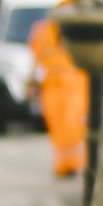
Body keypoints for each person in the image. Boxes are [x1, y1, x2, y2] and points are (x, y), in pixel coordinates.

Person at [30, 9, 87, 180]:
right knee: (56, 126)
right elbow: (35, 58)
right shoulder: (42, 30)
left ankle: (75, 164)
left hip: (74, 84)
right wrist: (32, 81)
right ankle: (63, 165)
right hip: (52, 84)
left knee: (73, 124)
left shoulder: (76, 29)